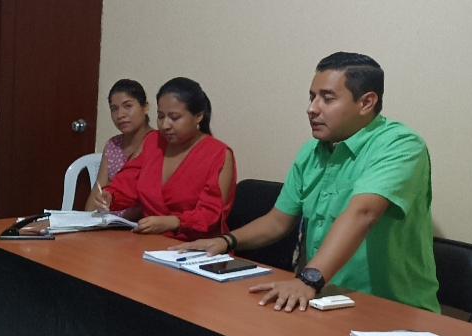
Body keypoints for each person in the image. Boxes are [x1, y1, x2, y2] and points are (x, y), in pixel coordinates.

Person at [174, 52, 440, 313]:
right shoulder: (312, 151)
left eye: (327, 98)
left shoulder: (401, 145)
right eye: (312, 97)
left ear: (366, 103)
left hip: (392, 310)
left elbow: (364, 213)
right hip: (327, 298)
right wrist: (225, 241)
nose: (312, 108)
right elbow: (277, 221)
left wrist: (308, 279)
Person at [98, 77, 236, 241]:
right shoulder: (153, 141)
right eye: (161, 116)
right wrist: (109, 196)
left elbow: (211, 214)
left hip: (198, 248)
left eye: (174, 118)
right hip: (150, 242)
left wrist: (174, 222)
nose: (165, 125)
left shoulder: (219, 154)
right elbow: (127, 182)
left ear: (198, 116)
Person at [84, 79, 154, 216]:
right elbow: (98, 189)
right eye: (114, 109)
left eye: (128, 106)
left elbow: (149, 201)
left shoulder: (158, 143)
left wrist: (119, 221)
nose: (120, 115)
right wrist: (88, 219)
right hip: (106, 221)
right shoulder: (113, 145)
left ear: (145, 107)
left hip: (139, 222)